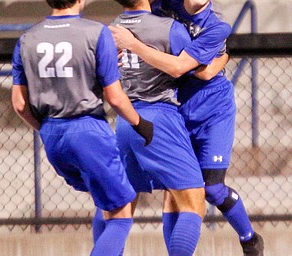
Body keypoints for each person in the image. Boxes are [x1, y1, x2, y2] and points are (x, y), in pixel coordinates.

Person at [110, 0, 264, 255]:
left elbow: (197, 72)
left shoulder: (217, 25)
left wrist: (132, 45)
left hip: (212, 109)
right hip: (178, 109)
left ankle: (249, 238)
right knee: (175, 192)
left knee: (212, 188)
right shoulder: (164, 6)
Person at [11, 0, 154, 255]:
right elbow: (115, 97)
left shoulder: (26, 38)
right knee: (122, 209)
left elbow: (20, 104)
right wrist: (139, 123)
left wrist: (44, 128)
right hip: (88, 130)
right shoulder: (96, 32)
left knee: (106, 201)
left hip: (52, 134)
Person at [94, 0, 207, 255]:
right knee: (193, 202)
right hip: (160, 118)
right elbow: (199, 70)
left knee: (117, 210)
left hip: (125, 119)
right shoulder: (169, 28)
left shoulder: (110, 29)